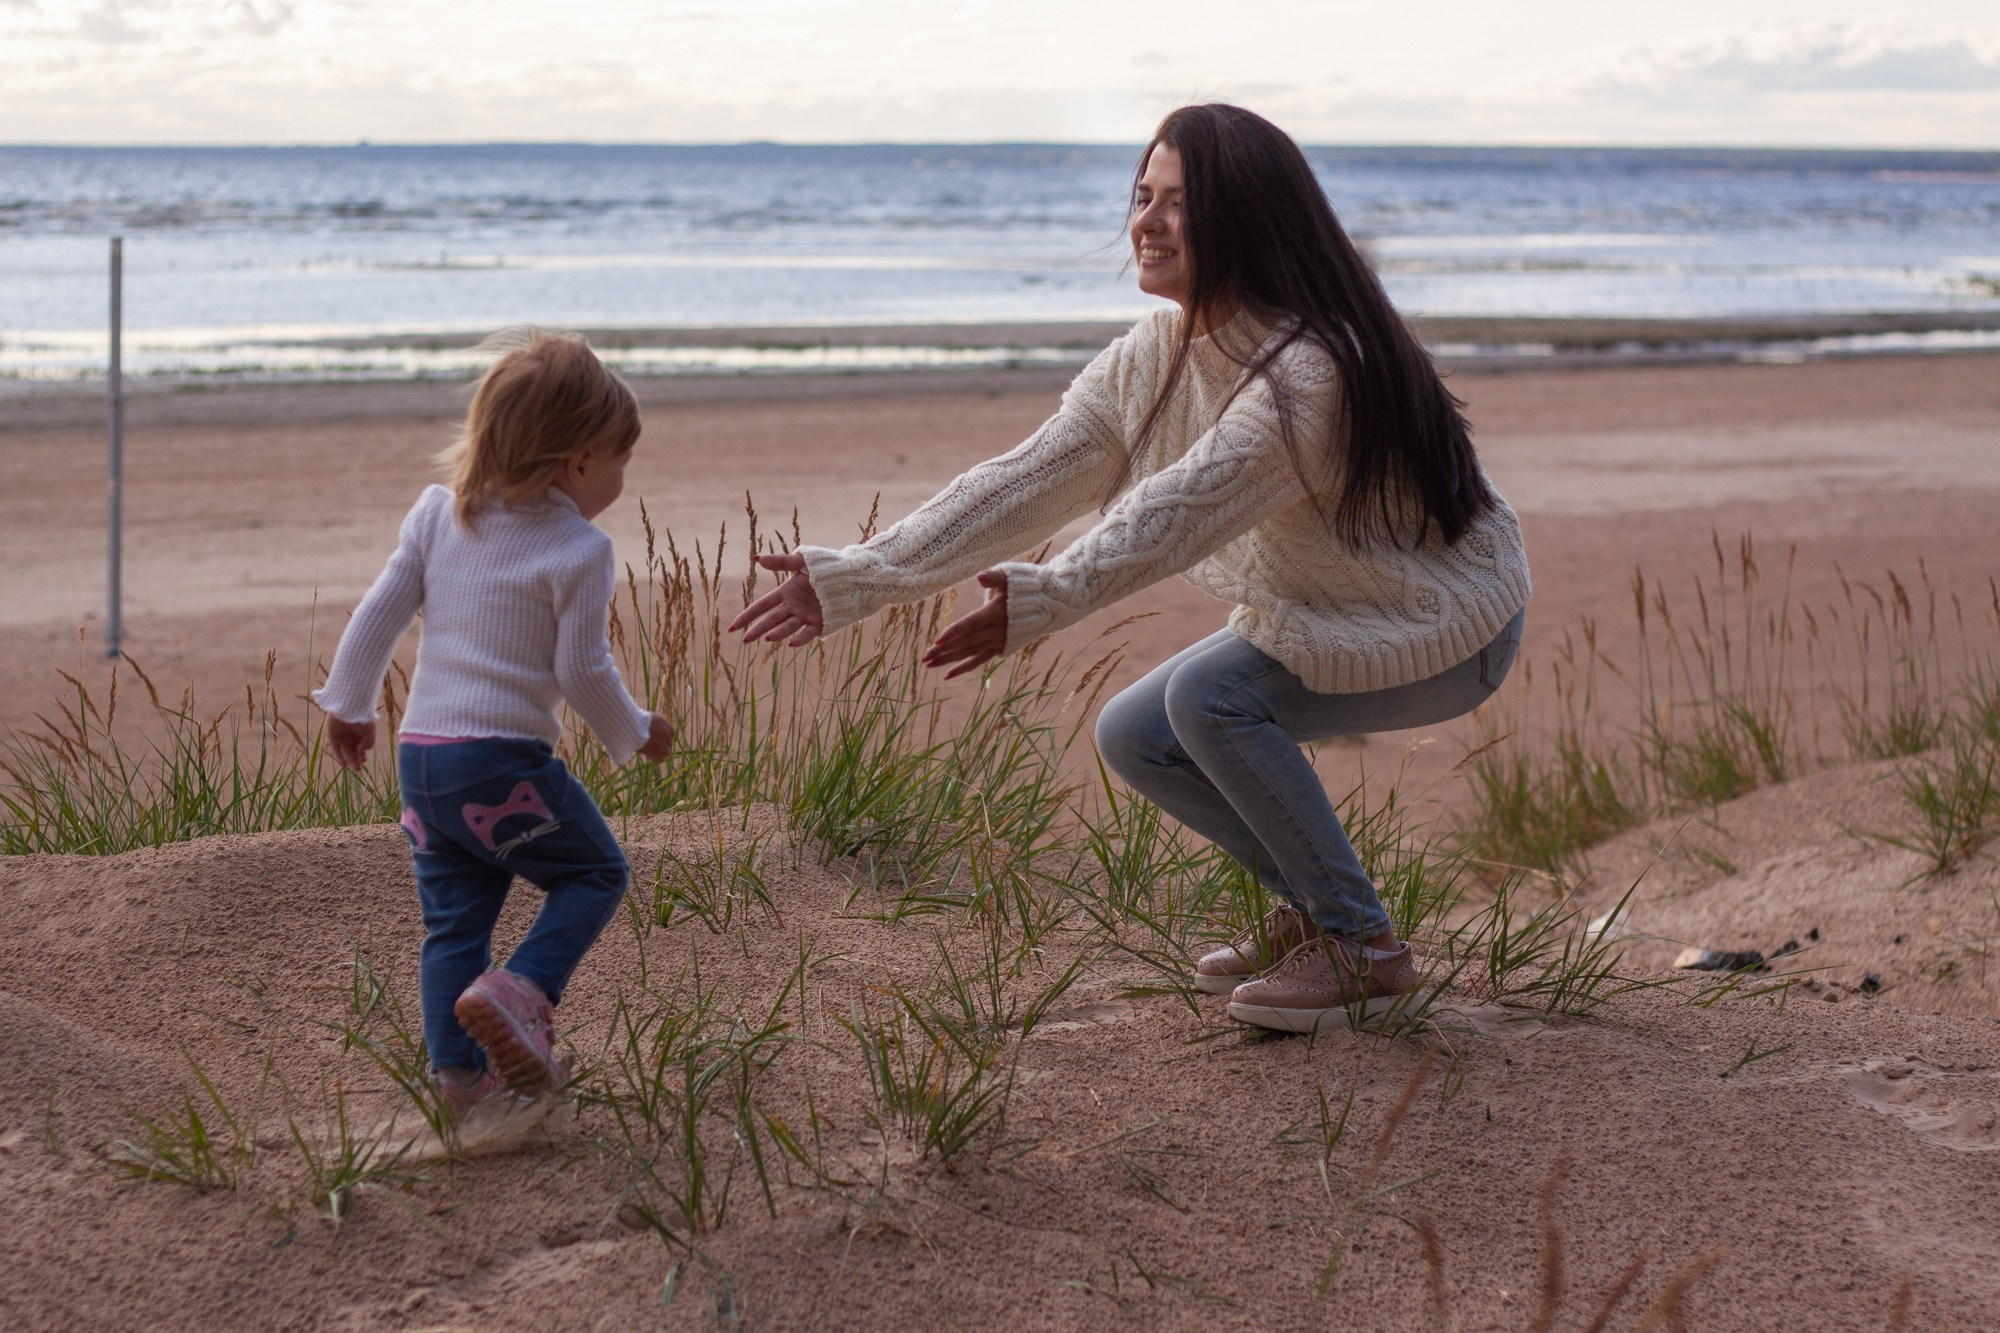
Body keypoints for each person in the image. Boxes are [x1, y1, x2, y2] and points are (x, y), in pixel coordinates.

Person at [730, 104, 1529, 1034]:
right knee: (1134, 731)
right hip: (1333, 609)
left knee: (1211, 703)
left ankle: (1363, 946)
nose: (1146, 221)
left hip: (1438, 623)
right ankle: (1317, 910)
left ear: (1251, 217)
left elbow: (1176, 511)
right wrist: (860, 575)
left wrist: (1054, 594)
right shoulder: (1156, 355)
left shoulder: (1313, 371)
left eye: (1179, 203)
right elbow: (1023, 481)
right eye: (1141, 196)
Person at [314, 329, 676, 1120]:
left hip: (423, 763)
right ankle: (524, 990)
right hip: (502, 763)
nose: (619, 477)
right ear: (576, 462)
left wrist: (349, 704)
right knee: (594, 873)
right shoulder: (580, 546)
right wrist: (636, 730)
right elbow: (583, 671)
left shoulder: (439, 515)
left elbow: (380, 613)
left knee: (453, 926)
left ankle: (461, 1082)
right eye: (619, 460)